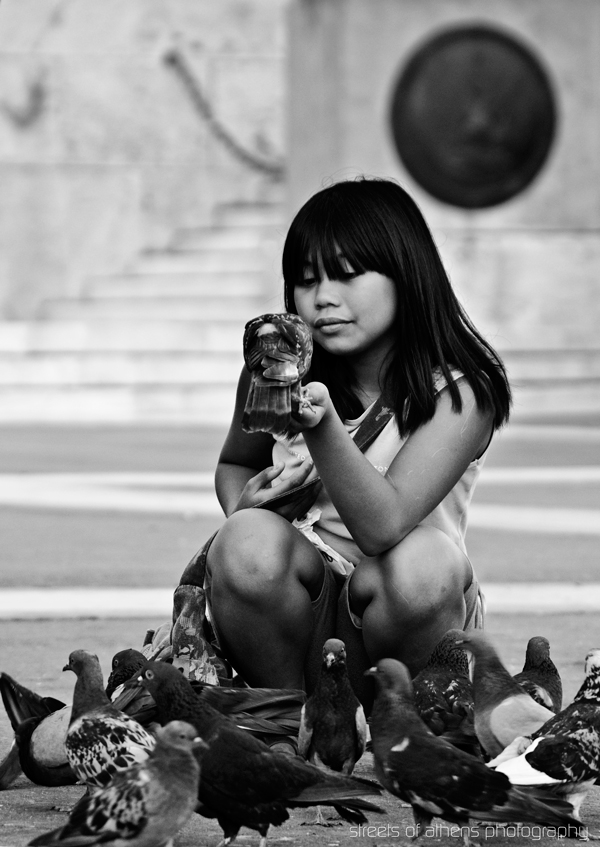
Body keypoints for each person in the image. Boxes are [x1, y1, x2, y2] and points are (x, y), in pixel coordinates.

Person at [201, 177, 511, 710]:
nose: (323, 298)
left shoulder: (460, 393)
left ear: (405, 274)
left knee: (423, 564)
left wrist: (322, 430)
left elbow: (382, 527)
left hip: (409, 619)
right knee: (245, 540)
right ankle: (291, 718)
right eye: (304, 280)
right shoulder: (277, 375)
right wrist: (244, 505)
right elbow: (235, 462)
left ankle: (403, 720)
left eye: (347, 275)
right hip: (302, 616)